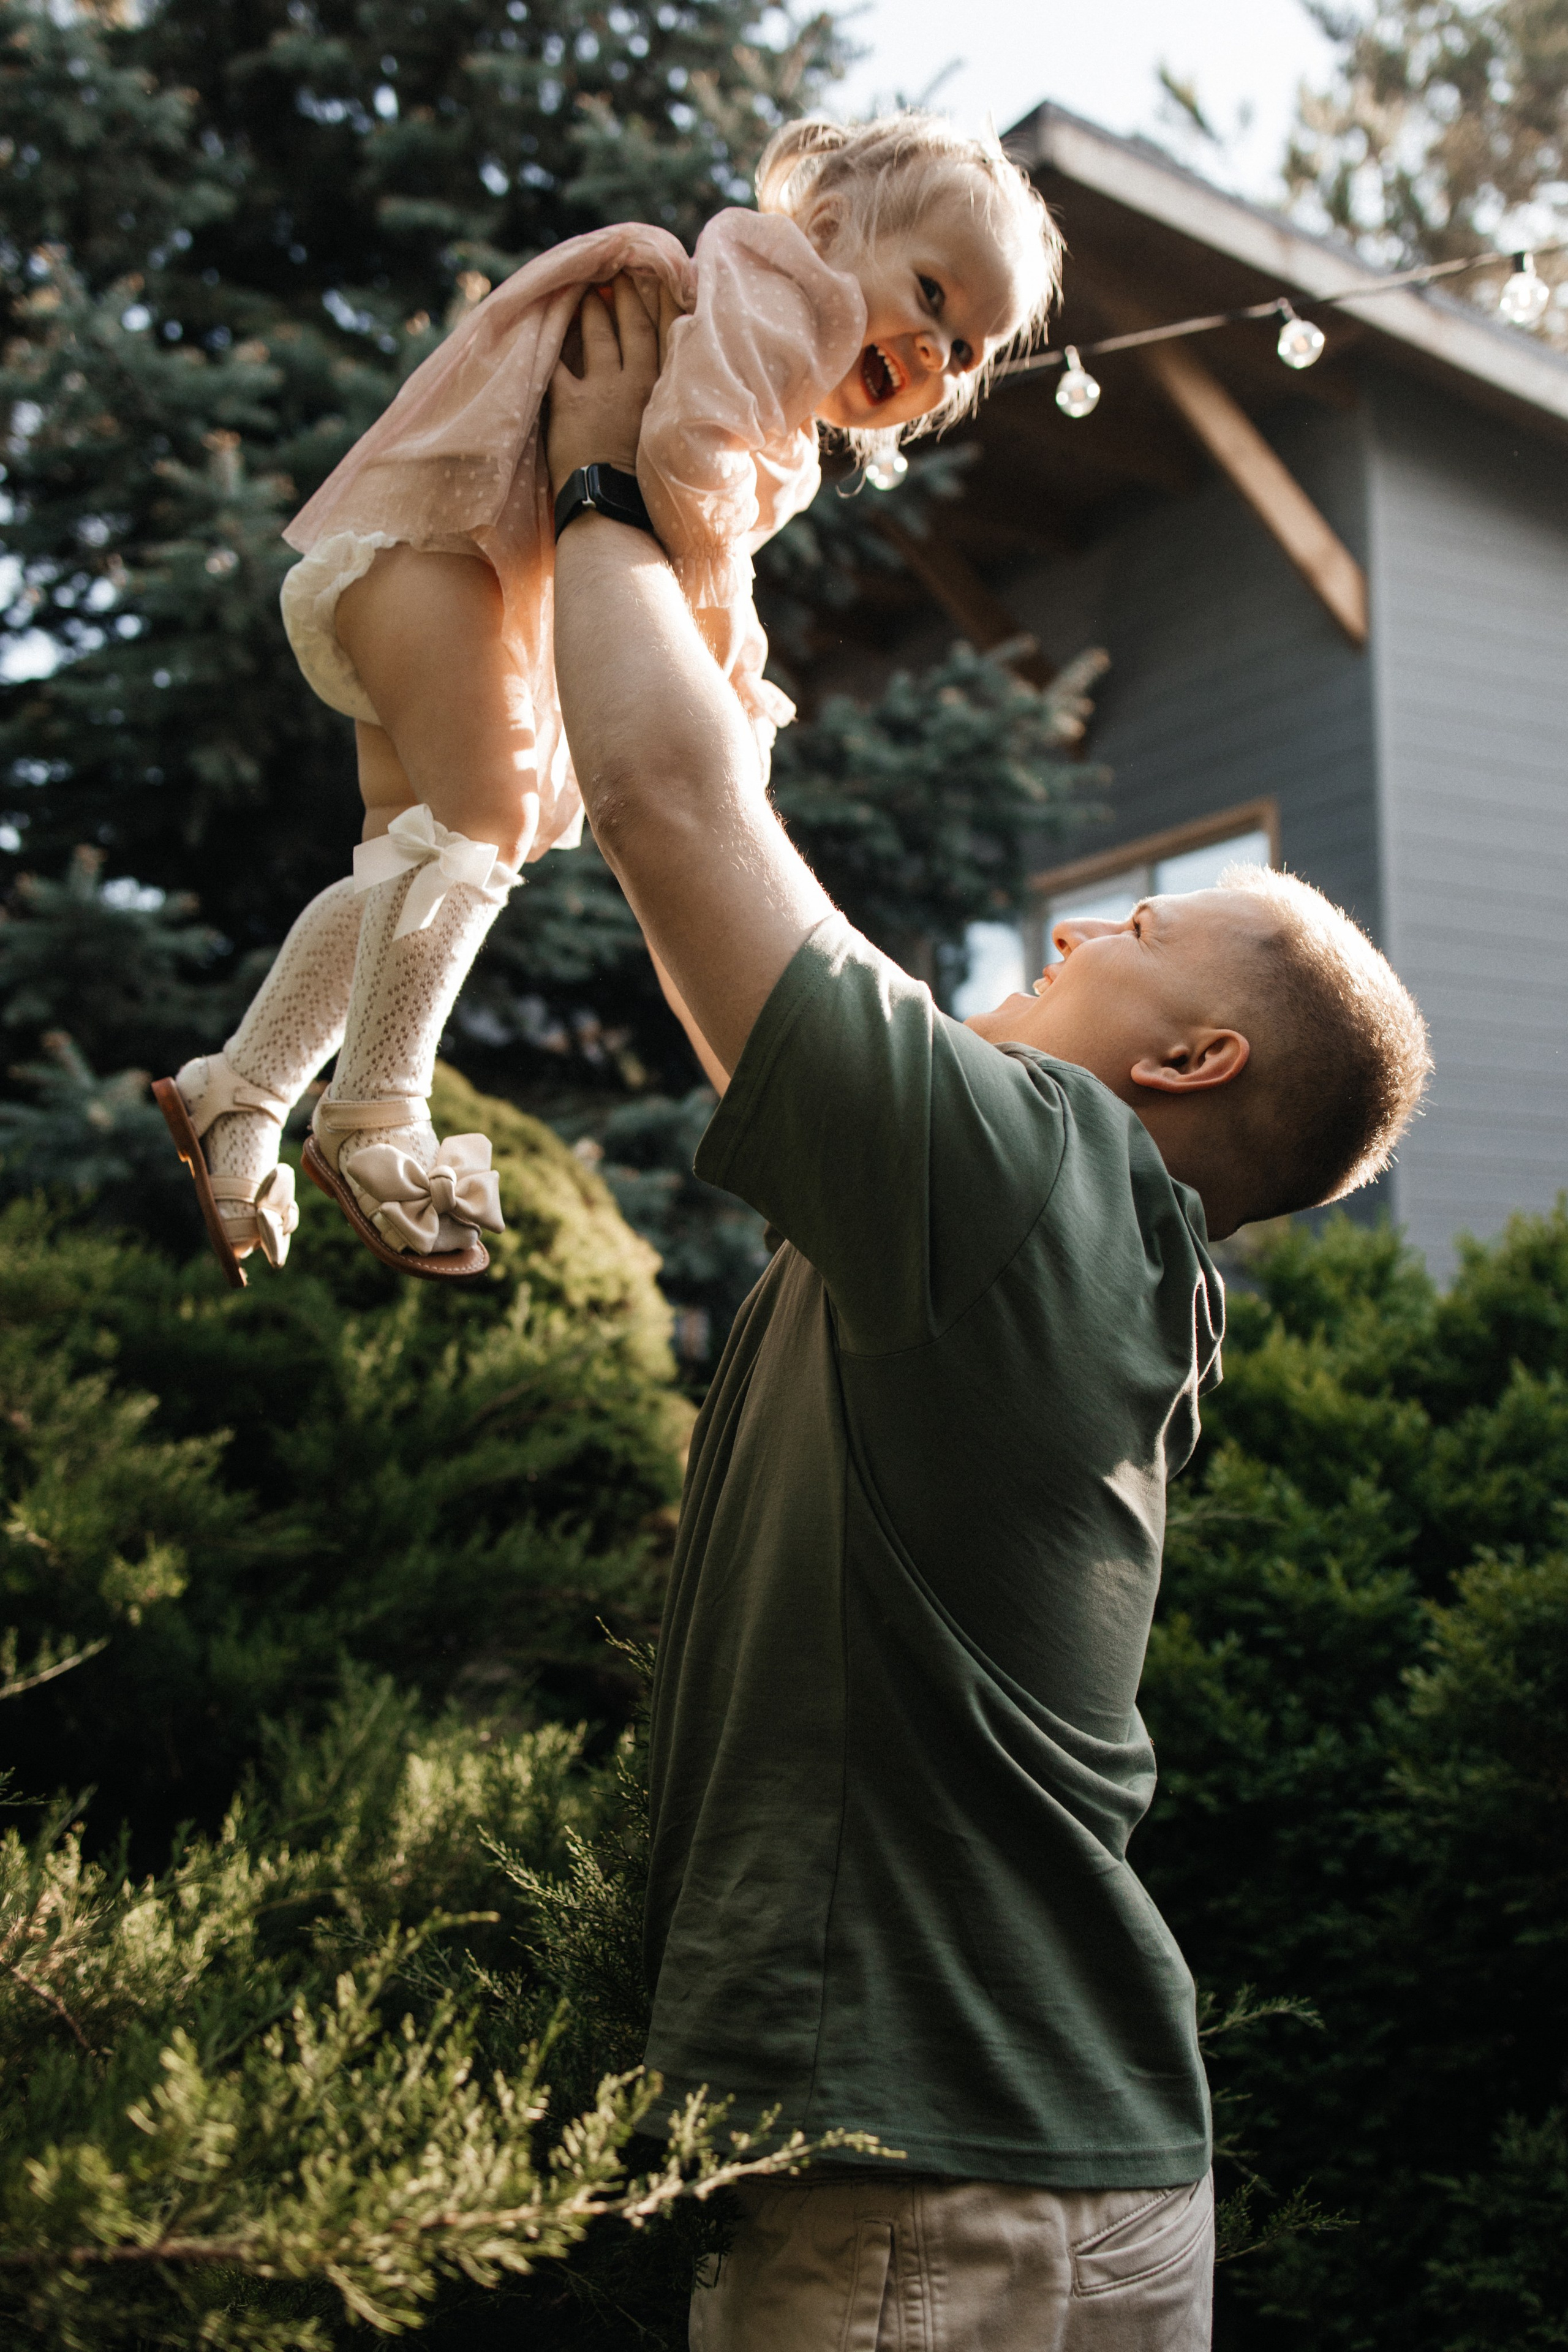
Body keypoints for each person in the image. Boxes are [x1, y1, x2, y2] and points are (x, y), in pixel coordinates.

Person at [540, 282, 1432, 2348]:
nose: (1068, 923)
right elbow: (749, 834)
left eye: (1133, 921)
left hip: (930, 2203)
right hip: (1082, 2172)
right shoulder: (1097, 1261)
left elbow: (680, 820)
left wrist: (589, 485)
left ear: (1194, 1062)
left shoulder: (1030, 1177)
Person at [153, 111, 1061, 1287]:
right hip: (444, 551)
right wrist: (729, 671)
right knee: (492, 812)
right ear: (829, 230)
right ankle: (376, 1112)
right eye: (932, 294)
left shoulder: (777, 348)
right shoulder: (770, 297)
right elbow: (682, 467)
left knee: (407, 857)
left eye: (971, 349)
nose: (938, 348)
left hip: (443, 563)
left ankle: (245, 1088)